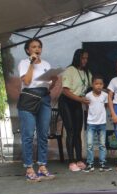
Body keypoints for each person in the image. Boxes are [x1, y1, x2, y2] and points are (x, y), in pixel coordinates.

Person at [17, 38, 57, 181]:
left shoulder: (46, 64)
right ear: (28, 50)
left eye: (39, 46)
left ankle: (42, 167)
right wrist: (31, 63)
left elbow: (49, 87)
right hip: (28, 99)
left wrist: (55, 81)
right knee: (28, 135)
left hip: (44, 99)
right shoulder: (24, 63)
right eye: (33, 47)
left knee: (43, 134)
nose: (37, 49)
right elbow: (27, 81)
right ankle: (29, 168)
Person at [59, 48, 92, 172]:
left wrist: (108, 92)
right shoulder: (70, 70)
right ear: (77, 57)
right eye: (83, 58)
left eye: (86, 58)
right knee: (71, 131)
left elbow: (94, 85)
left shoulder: (87, 72)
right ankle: (71, 161)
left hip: (78, 103)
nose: (85, 60)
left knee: (78, 131)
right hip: (66, 102)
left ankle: (79, 159)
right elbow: (65, 91)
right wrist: (81, 100)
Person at [84, 75, 110, 172]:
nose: (99, 86)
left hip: (102, 123)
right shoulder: (88, 95)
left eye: (101, 84)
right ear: (92, 84)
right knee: (90, 144)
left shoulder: (105, 95)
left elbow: (106, 106)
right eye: (96, 84)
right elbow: (87, 108)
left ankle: (102, 163)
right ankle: (90, 163)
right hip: (91, 123)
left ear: (103, 85)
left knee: (102, 144)